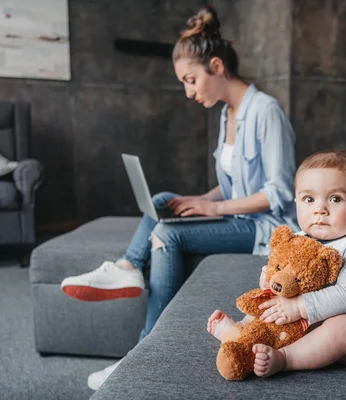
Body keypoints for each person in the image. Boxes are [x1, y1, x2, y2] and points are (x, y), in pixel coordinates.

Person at [60, 5, 299, 390]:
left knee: (168, 234)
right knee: (166, 200)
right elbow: (235, 184)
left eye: (191, 80)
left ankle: (140, 356)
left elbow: (278, 193)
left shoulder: (266, 111)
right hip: (237, 217)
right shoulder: (228, 114)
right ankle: (126, 267)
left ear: (216, 67)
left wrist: (213, 208)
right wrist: (200, 199)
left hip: (264, 229)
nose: (189, 92)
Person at [207, 150, 346, 377]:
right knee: (270, 302)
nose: (320, 209)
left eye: (335, 199)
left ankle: (286, 358)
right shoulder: (298, 239)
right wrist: (270, 283)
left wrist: (299, 306)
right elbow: (284, 277)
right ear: (297, 202)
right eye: (309, 199)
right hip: (297, 325)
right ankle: (244, 334)